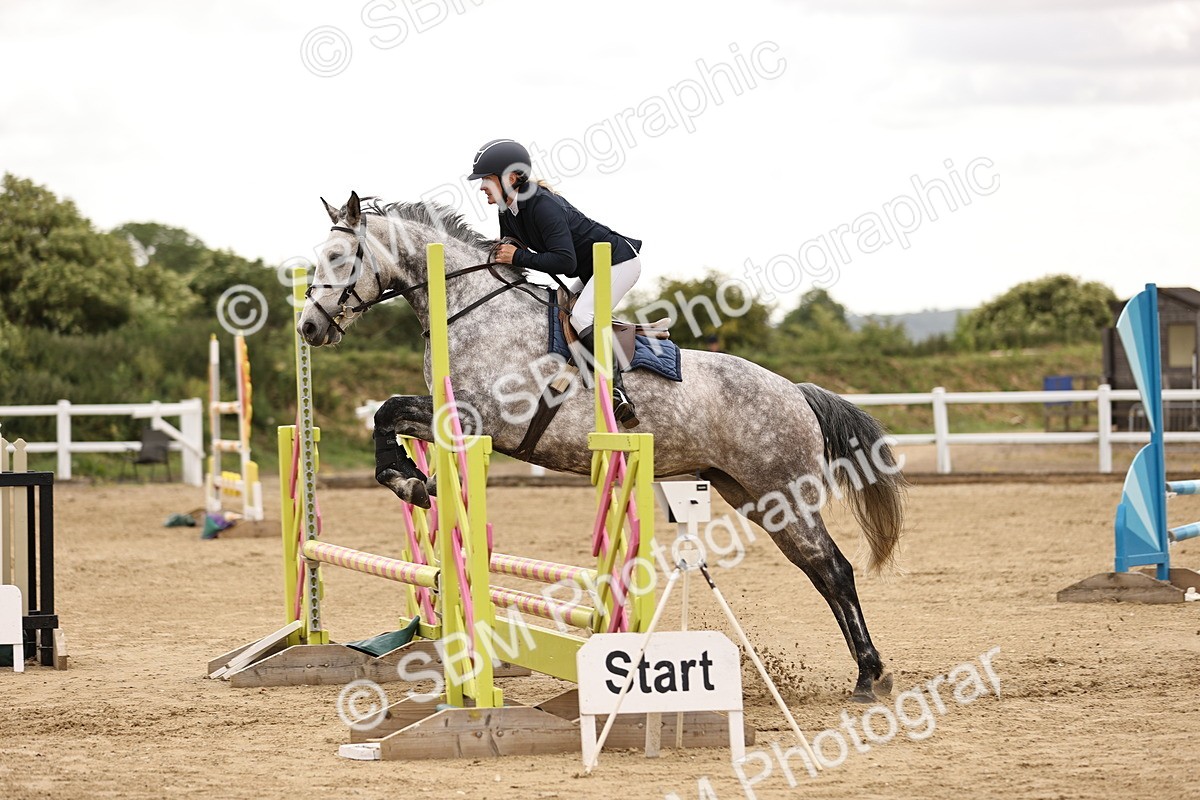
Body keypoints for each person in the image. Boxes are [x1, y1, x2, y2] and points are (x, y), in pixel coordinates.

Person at [468, 138, 642, 428]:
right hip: (592, 271)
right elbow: (513, 248)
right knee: (560, 312)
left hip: (618, 262)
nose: (482, 186)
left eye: (487, 179)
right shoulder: (506, 209)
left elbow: (565, 262)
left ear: (511, 178)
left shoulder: (543, 205)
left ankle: (617, 391)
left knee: (582, 315)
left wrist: (517, 256)